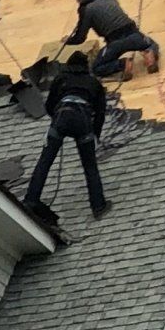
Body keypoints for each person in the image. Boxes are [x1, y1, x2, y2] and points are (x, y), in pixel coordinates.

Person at [25, 53, 109, 220]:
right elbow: (100, 114)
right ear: (86, 66)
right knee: (90, 166)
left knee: (45, 162)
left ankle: (31, 200)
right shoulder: (94, 83)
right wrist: (96, 136)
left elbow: (49, 105)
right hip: (83, 120)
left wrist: (56, 121)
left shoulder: (61, 78)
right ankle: (98, 206)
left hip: (62, 116)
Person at [61, 0, 158, 81]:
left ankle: (123, 64)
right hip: (134, 35)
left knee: (97, 68)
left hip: (114, 43)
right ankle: (149, 53)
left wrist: (68, 40)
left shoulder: (86, 10)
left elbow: (80, 38)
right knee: (151, 44)